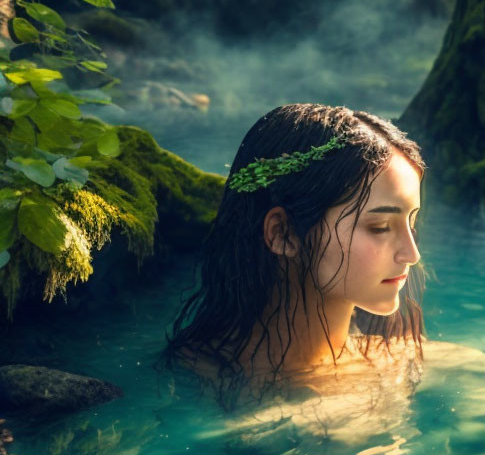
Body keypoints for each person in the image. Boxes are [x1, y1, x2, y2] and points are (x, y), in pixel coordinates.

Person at [162, 103, 426, 411]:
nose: (412, 254)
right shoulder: (188, 386)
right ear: (283, 234)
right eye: (380, 227)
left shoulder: (408, 365)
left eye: (412, 222)